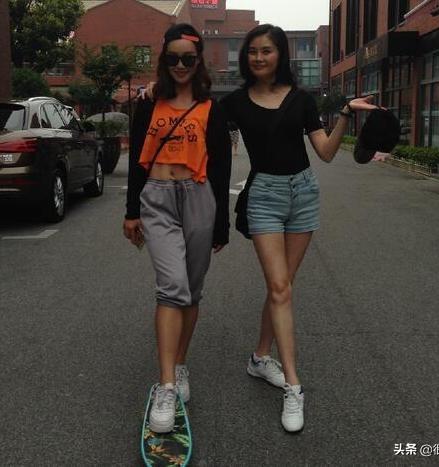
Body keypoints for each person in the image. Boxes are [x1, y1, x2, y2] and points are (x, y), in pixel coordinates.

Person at [220, 24, 378, 433]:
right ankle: (294, 385)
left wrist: (346, 114)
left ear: (280, 55)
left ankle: (260, 358)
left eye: (266, 50)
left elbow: (325, 152)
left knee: (283, 287)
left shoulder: (301, 99)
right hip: (264, 196)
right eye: (253, 51)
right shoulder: (234, 102)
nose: (259, 57)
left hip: (304, 193)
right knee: (280, 288)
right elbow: (197, 115)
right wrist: (156, 95)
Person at [123, 23, 231, 434]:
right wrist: (131, 210)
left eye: (188, 58)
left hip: (199, 197)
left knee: (192, 290)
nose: (181, 65)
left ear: (199, 59)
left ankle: (180, 364)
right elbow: (137, 161)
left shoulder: (211, 108)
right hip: (157, 198)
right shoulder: (149, 104)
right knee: (172, 286)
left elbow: (221, 168)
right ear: (163, 59)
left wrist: (221, 223)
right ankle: (166, 385)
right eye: (173, 58)